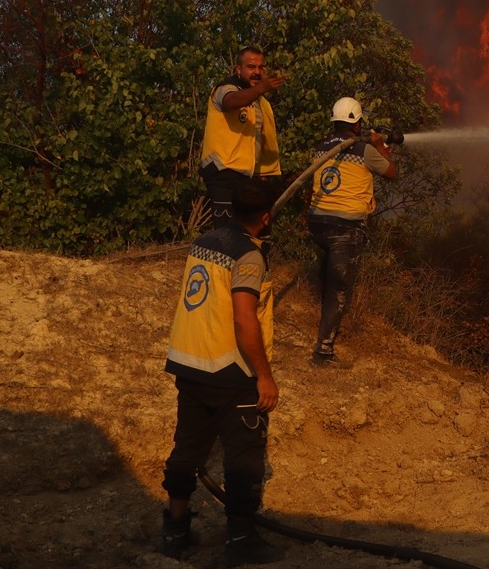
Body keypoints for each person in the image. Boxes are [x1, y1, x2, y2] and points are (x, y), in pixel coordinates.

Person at [159, 178, 284, 566]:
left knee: (186, 451)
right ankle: (242, 538)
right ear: (265, 217)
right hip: (228, 368)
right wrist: (263, 375)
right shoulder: (248, 256)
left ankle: (175, 532)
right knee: (244, 456)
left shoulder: (204, 241)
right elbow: (244, 317)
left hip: (189, 361)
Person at [306, 96, 397, 367]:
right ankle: (323, 354)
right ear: (357, 124)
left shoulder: (321, 147)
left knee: (328, 280)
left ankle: (323, 327)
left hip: (318, 223)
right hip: (345, 228)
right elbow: (391, 173)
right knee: (338, 290)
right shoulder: (364, 150)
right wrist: (380, 146)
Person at [199, 46, 287, 227]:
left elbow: (259, 141)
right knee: (227, 231)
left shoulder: (261, 101)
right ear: (238, 69)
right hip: (223, 170)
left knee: (248, 230)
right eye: (251, 67)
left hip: (247, 175)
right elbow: (230, 101)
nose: (257, 72)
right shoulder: (225, 88)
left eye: (261, 67)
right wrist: (262, 87)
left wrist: (264, 175)